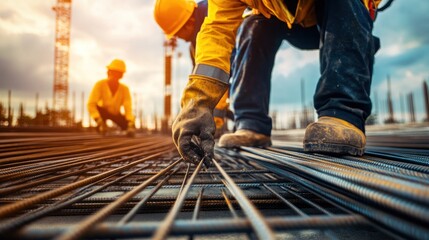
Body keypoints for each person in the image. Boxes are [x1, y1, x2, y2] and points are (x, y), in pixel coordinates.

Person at [172, 0, 382, 165]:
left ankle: (343, 113)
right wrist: (197, 103)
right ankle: (252, 124)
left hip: (343, 13)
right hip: (291, 16)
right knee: (253, 25)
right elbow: (217, 31)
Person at [153, 0, 230, 137]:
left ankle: (250, 124)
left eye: (177, 33)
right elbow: (201, 82)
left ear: (188, 23)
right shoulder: (194, 47)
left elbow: (219, 74)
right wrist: (193, 112)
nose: (179, 38)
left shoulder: (214, 17)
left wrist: (216, 117)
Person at [87, 59, 135, 136]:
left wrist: (130, 122)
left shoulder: (125, 89)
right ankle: (101, 125)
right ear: (108, 72)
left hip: (116, 114)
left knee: (128, 127)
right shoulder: (100, 84)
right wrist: (98, 119)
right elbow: (91, 104)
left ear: (121, 76)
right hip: (102, 112)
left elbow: (127, 107)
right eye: (113, 73)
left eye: (118, 74)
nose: (115, 76)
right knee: (98, 112)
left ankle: (129, 127)